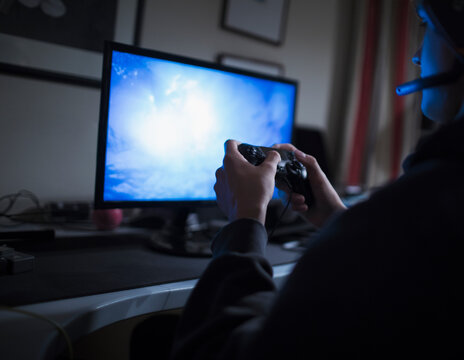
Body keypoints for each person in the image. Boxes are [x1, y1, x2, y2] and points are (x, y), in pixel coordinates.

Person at [170, 0, 464, 358]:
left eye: (426, 27)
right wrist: (336, 220)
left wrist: (244, 221)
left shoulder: (425, 204)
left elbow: (222, 350)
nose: (417, 56)